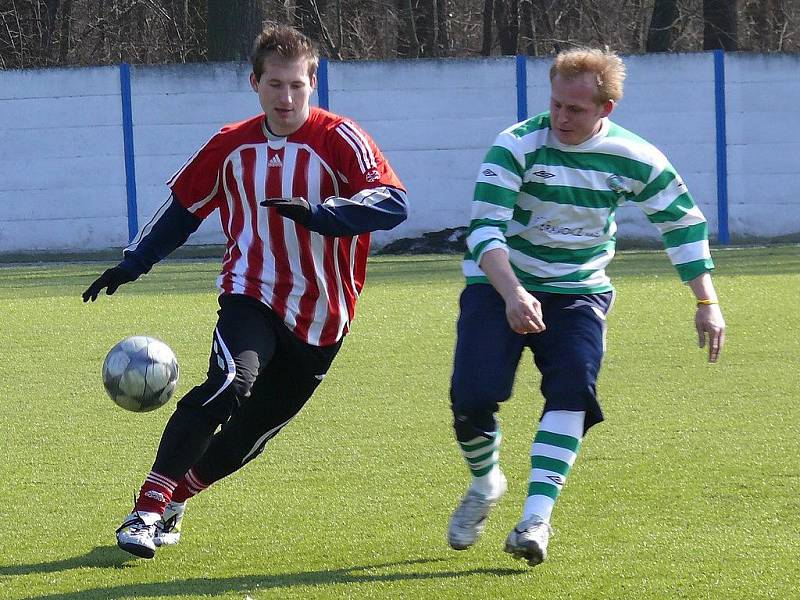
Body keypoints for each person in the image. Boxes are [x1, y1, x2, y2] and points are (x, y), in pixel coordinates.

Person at [82, 24, 408, 559]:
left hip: (324, 315)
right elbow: (183, 210)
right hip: (250, 291)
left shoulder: (340, 140)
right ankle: (143, 512)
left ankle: (176, 500)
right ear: (254, 83)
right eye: (274, 84)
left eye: (297, 85)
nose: (286, 97)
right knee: (231, 381)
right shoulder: (231, 145)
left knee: (249, 436)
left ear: (313, 83)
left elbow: (394, 202)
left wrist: (324, 214)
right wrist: (132, 263)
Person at [446, 48, 726, 567]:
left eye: (575, 110)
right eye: (555, 105)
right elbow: (484, 231)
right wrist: (513, 293)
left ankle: (535, 518)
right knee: (473, 396)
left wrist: (706, 300)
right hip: (498, 281)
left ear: (607, 108)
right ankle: (485, 484)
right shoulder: (516, 146)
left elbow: (683, 223)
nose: (561, 118)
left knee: (574, 386)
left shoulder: (635, 157)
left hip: (578, 288)